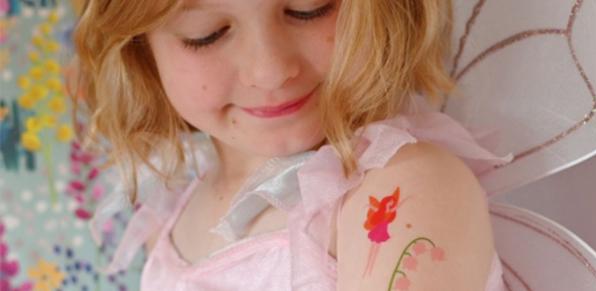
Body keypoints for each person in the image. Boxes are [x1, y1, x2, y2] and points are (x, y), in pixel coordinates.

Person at [72, 0, 512, 290]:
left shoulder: (400, 188)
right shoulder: (174, 214)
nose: (270, 70)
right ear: (141, 51)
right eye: (205, 33)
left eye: (308, 7)